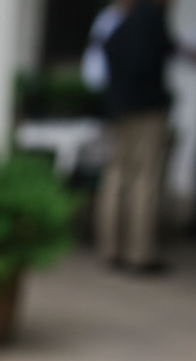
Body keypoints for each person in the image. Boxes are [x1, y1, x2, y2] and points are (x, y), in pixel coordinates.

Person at [95, 0, 174, 272]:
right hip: (145, 110)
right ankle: (139, 253)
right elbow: (151, 58)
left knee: (116, 175)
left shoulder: (123, 21)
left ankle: (110, 248)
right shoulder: (151, 19)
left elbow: (107, 48)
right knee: (144, 179)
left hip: (119, 109)